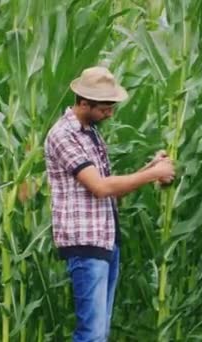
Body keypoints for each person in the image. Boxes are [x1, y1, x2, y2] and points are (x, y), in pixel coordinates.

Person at [44, 66, 176, 341]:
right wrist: (153, 174)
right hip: (86, 243)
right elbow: (100, 187)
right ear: (83, 103)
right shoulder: (64, 135)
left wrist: (148, 168)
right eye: (105, 108)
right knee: (91, 334)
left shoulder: (89, 133)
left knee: (100, 332)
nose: (110, 114)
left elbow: (111, 189)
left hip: (105, 241)